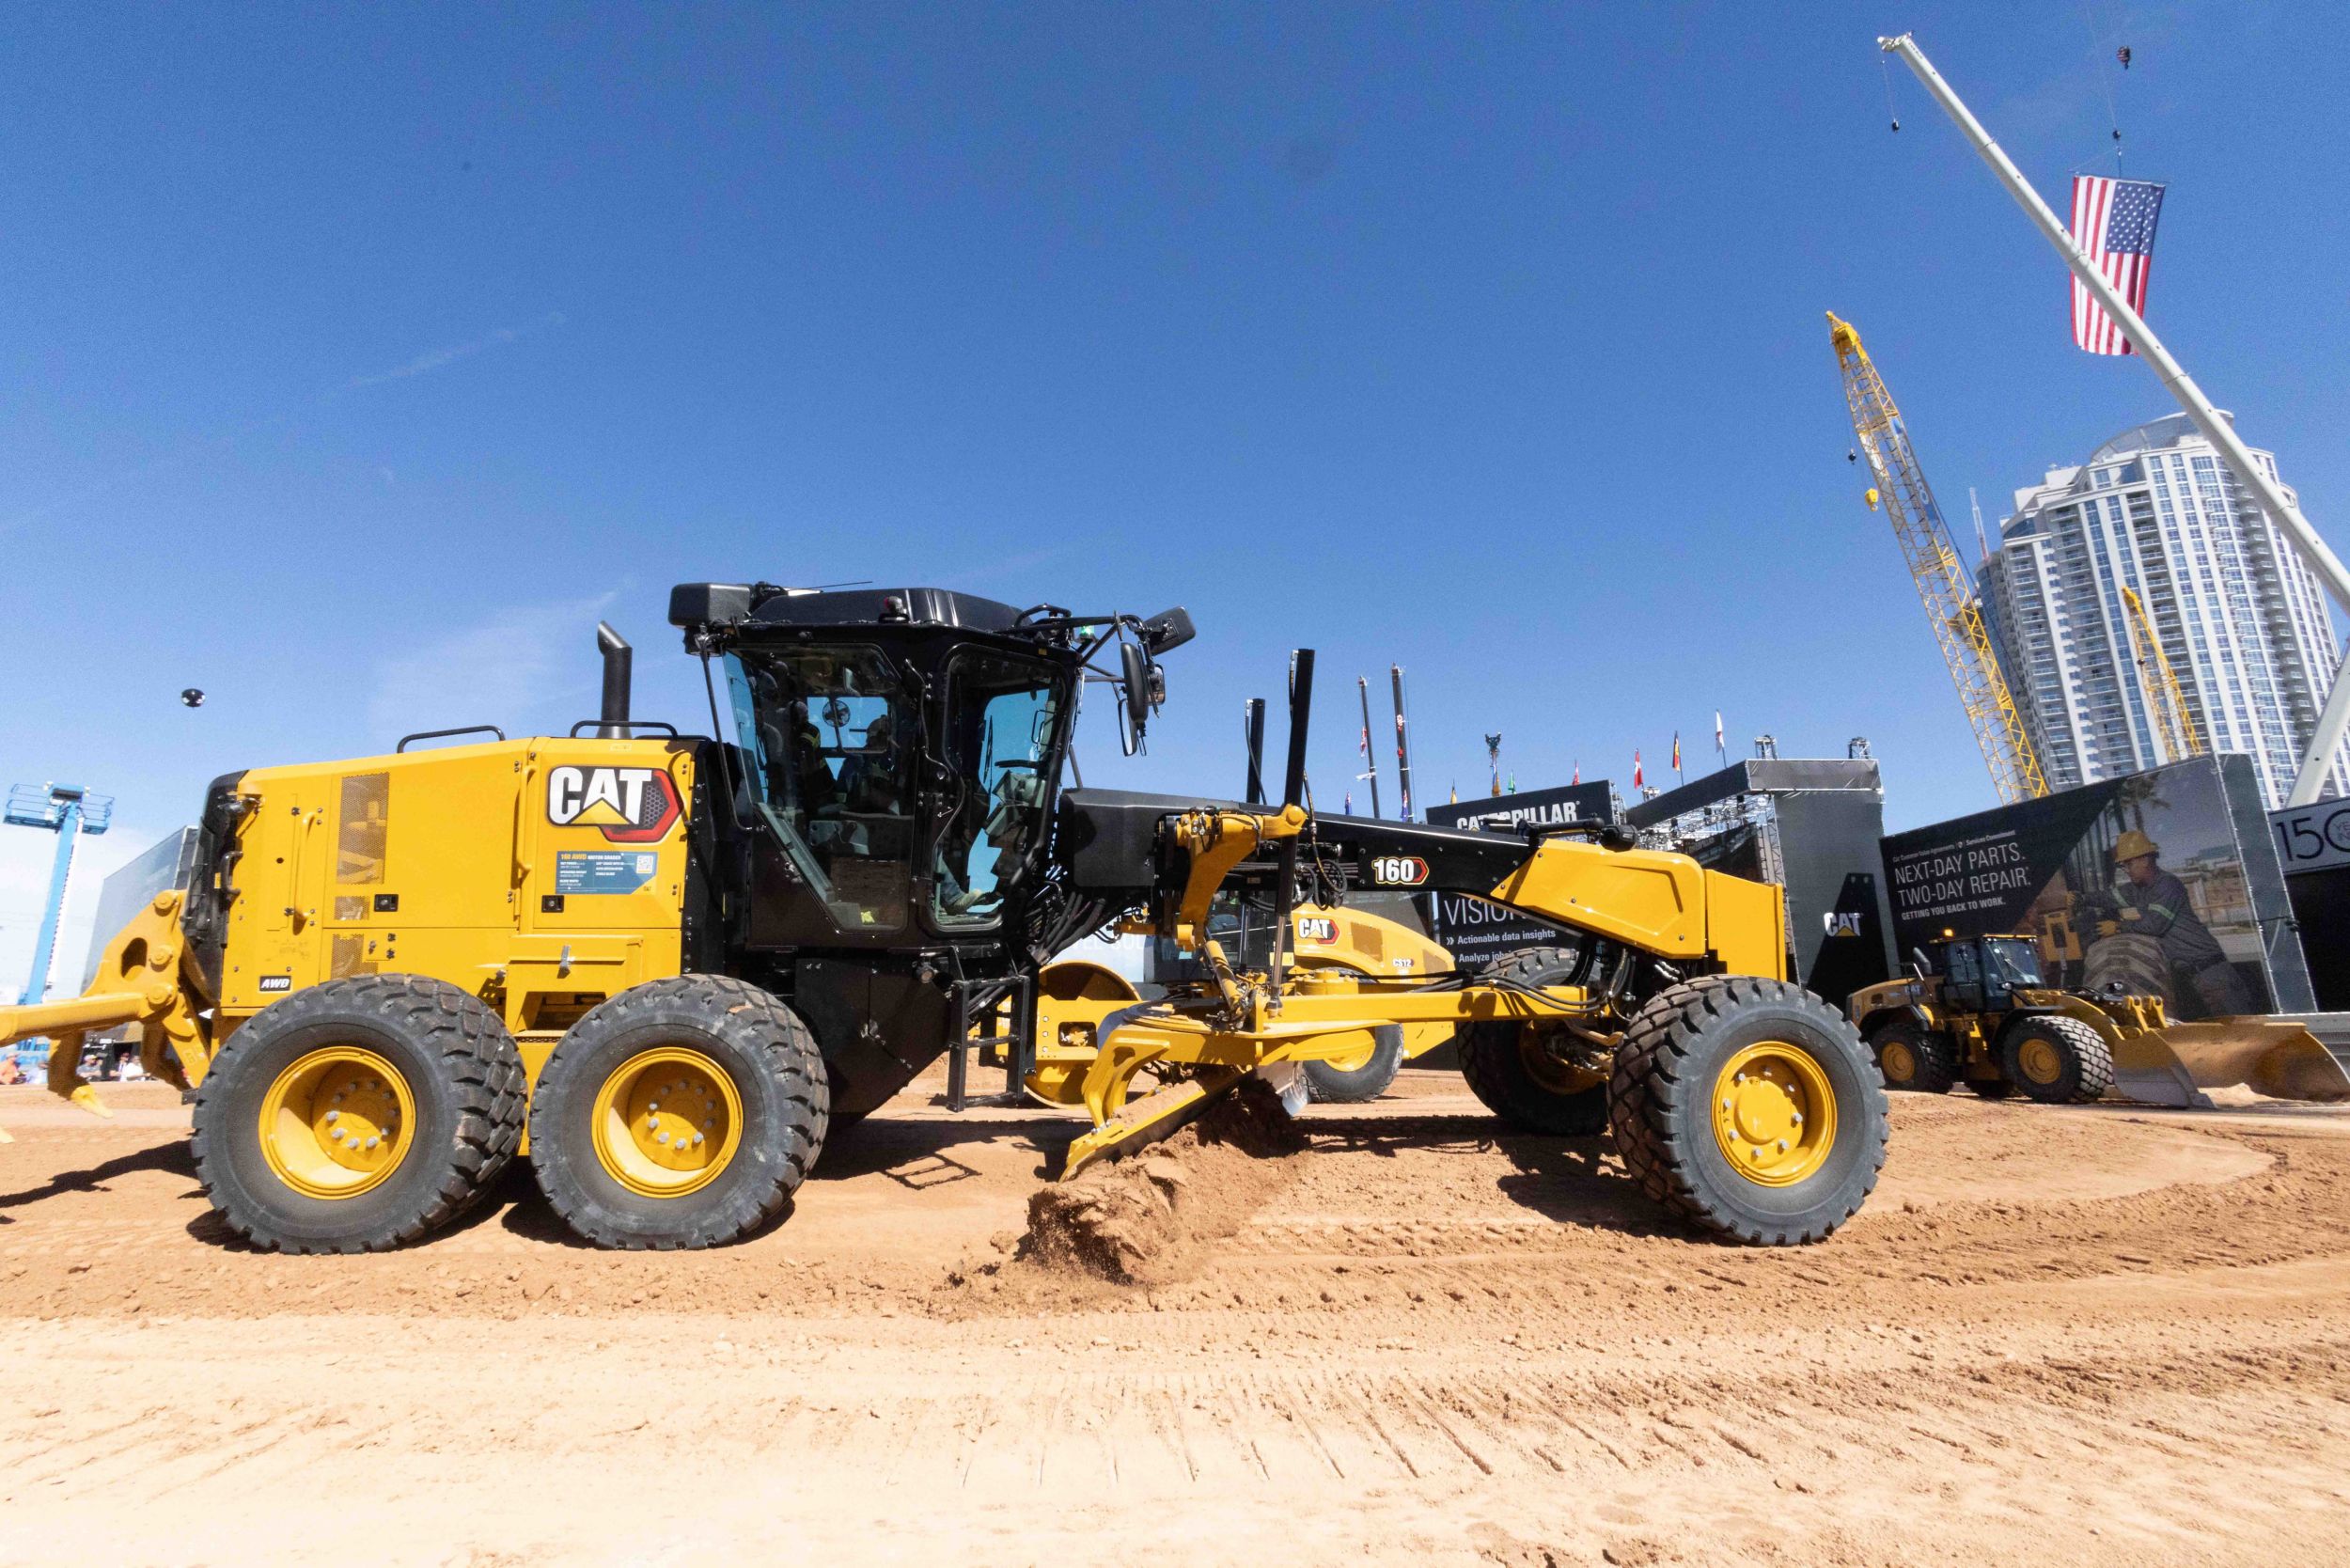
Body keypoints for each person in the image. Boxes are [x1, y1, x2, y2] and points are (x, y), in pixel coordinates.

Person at [2110, 829, 2255, 1017]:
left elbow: (2155, 926)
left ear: (2144, 860)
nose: (2127, 870)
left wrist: (2118, 927)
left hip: (2212, 973)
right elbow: (2112, 897)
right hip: (2198, 974)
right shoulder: (2146, 889)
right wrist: (2082, 899)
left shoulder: (2167, 885)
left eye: (2128, 864)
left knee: (2239, 1026)